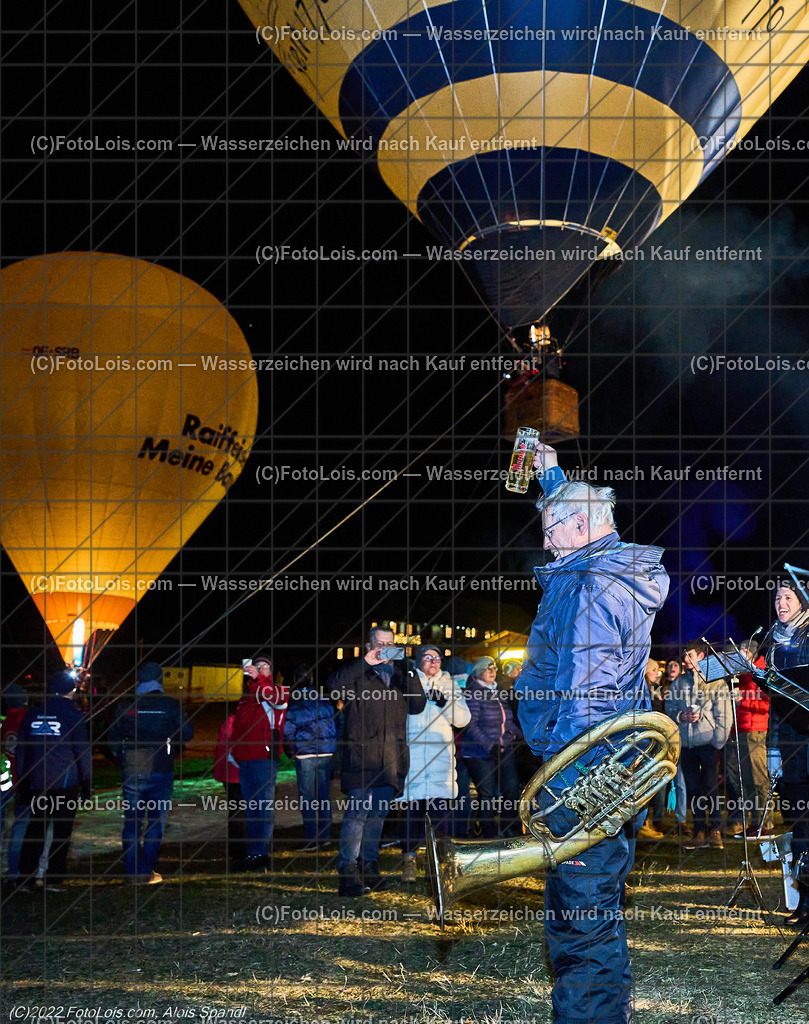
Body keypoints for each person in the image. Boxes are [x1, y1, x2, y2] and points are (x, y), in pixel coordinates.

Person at [514, 443, 669, 1024]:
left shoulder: (594, 584)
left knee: (579, 920)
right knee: (589, 912)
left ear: (579, 525)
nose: (545, 538)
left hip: (583, 774)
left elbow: (586, 700)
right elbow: (569, 511)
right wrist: (549, 473)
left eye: (551, 527)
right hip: (594, 768)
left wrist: (565, 788)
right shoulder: (595, 568)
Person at [328, 625, 426, 897]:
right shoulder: (359, 673)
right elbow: (334, 686)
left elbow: (418, 704)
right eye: (380, 643)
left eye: (390, 643)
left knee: (377, 817)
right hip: (361, 758)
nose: (386, 648)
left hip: (391, 760)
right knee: (357, 816)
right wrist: (364, 663)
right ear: (370, 646)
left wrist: (409, 670)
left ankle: (370, 866)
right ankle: (348, 872)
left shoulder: (399, 674)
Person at [107, 662, 193, 884]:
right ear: (160, 681)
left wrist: (122, 756)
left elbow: (112, 736)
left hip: (133, 768)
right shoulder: (171, 705)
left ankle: (132, 871)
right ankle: (145, 871)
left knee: (132, 821)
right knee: (156, 822)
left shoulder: (125, 704)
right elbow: (186, 733)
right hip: (160, 768)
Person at [754, 579, 809, 924]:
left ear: (803, 603)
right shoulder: (774, 642)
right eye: (777, 597)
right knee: (798, 821)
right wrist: (772, 750)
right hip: (790, 741)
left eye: (788, 597)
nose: (781, 602)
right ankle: (804, 902)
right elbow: (775, 707)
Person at [15, 671, 93, 892]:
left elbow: (23, 751)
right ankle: (53, 880)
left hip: (38, 782)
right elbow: (82, 753)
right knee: (61, 831)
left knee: (35, 829)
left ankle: (25, 879)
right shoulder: (73, 715)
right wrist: (87, 782)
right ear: (72, 690)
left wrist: (23, 781)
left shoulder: (32, 714)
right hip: (66, 783)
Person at [400, 645, 470, 881]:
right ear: (418, 661)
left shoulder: (449, 685)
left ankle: (442, 863)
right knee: (412, 812)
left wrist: (445, 704)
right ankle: (408, 861)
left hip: (440, 761)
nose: (433, 661)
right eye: (428, 657)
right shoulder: (408, 682)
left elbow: (463, 719)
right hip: (414, 760)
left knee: (441, 816)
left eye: (437, 658)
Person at [665, 642, 732, 850]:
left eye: (690, 655)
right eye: (684, 656)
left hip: (708, 743)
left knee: (711, 787)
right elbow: (669, 707)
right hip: (686, 744)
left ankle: (715, 830)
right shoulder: (679, 683)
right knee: (693, 789)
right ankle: (699, 831)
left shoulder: (716, 682)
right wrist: (680, 715)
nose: (685, 660)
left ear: (701, 656)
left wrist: (717, 741)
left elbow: (725, 713)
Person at [229, 653, 288, 871]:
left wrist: (260, 680)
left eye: (265, 667)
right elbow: (237, 729)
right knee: (252, 809)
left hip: (264, 759)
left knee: (263, 809)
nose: (260, 669)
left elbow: (276, 699)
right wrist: (235, 752)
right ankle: (253, 854)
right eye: (257, 666)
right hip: (245, 761)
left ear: (272, 673)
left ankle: (260, 855)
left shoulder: (278, 691)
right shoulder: (246, 699)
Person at [461, 657, 522, 838]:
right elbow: (470, 724)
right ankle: (488, 833)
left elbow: (507, 720)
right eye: (488, 668)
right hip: (479, 753)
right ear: (479, 672)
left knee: (511, 790)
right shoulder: (474, 692)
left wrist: (523, 737)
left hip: (504, 748)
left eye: (494, 668)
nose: (492, 671)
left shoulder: (497, 690)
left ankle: (509, 827)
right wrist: (489, 745)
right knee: (487, 794)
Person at [283, 664, 337, 850]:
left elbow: (288, 731)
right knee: (323, 796)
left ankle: (312, 837)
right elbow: (334, 723)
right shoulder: (324, 699)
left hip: (306, 754)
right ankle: (325, 834)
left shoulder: (296, 702)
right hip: (326, 751)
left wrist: (291, 752)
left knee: (308, 797)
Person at [723, 671, 771, 839]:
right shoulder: (740, 677)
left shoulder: (760, 673)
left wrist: (742, 701)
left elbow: (767, 705)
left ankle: (763, 825)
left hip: (754, 730)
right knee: (746, 779)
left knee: (758, 778)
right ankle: (754, 823)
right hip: (739, 731)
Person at [213, 708, 247, 861]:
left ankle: (237, 849)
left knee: (236, 810)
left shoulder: (230, 721)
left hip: (231, 773)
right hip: (239, 772)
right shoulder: (244, 721)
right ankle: (243, 849)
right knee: (243, 811)